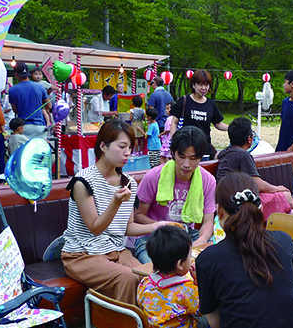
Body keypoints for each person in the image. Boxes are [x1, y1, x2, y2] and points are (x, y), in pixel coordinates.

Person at [61, 119, 166, 304]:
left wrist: (159, 226)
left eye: (130, 148)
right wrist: (115, 202)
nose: (127, 153)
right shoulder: (82, 182)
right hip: (82, 254)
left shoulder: (129, 183)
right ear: (103, 146)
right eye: (122, 146)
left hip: (116, 250)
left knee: (149, 278)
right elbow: (95, 228)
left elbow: (128, 227)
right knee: (129, 279)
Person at [195, 172, 293, 328]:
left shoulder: (208, 259)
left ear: (219, 211)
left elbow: (216, 323)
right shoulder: (284, 240)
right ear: (260, 208)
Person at [133, 126, 217, 264]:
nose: (186, 164)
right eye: (182, 157)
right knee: (154, 267)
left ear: (201, 157)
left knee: (215, 260)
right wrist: (161, 225)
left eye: (193, 158)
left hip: (186, 235)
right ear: (173, 153)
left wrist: (200, 242)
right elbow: (138, 215)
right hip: (153, 237)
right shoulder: (154, 176)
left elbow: (208, 222)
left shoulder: (207, 180)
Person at [216, 117, 293, 216]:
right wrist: (277, 188)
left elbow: (216, 156)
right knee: (286, 197)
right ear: (249, 139)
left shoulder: (223, 153)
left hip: (226, 199)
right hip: (239, 203)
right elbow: (258, 185)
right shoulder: (243, 155)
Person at [137, 225, 200, 328]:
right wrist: (197, 280)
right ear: (180, 264)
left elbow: (140, 302)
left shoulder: (144, 283)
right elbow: (203, 308)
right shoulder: (187, 290)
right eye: (189, 256)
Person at [169, 70, 227, 160]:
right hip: (186, 149)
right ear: (193, 85)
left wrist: (232, 128)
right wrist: (174, 140)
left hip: (204, 150)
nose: (204, 88)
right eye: (200, 85)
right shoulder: (184, 101)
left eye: (206, 85)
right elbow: (174, 122)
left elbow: (218, 124)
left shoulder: (211, 104)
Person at [9, 62, 51, 139]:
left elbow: (15, 110)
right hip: (39, 126)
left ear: (16, 74)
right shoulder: (40, 87)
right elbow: (49, 105)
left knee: (25, 150)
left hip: (23, 127)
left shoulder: (12, 90)